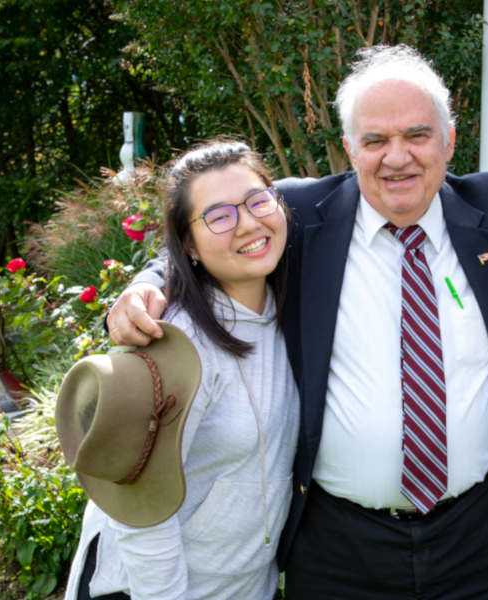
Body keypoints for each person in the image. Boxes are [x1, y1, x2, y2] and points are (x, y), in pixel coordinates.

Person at [107, 45, 488, 599]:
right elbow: (210, 237)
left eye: (416, 135)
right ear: (349, 148)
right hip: (337, 546)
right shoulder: (299, 214)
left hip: (482, 536)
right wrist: (144, 287)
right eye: (375, 141)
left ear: (449, 141)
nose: (397, 158)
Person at [64, 141, 299, 600]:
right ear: (187, 244)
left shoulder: (291, 308)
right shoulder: (174, 343)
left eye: (257, 201)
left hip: (244, 587)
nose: (249, 223)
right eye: (219, 216)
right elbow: (139, 510)